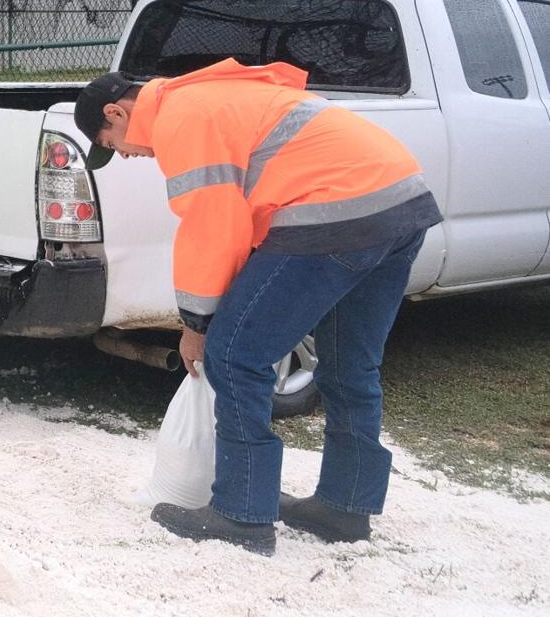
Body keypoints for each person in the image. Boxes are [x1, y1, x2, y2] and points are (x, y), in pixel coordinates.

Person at [75, 59, 442, 555]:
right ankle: (344, 508)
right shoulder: (209, 97)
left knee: (233, 354)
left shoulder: (182, 119)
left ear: (116, 115)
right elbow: (246, 223)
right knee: (350, 363)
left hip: (333, 211)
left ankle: (242, 514)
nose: (126, 154)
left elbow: (212, 228)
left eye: (111, 146)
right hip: (400, 204)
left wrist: (197, 325)